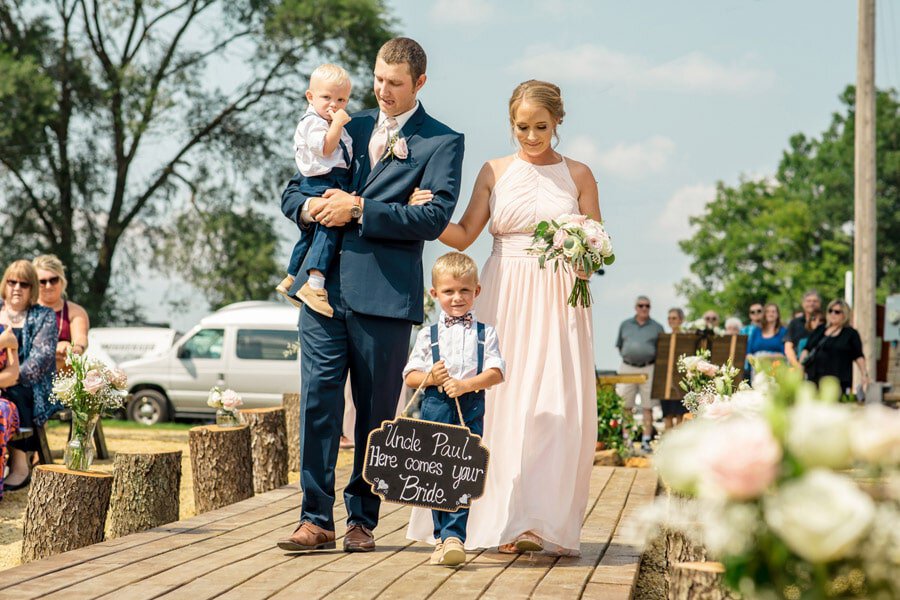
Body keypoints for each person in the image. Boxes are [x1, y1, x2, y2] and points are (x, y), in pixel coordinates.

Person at [277, 38, 464, 554]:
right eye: (378, 79)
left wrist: (359, 208)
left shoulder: (442, 142)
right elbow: (296, 187)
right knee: (318, 404)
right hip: (323, 290)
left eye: (395, 83)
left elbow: (432, 218)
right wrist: (312, 210)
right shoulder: (346, 122)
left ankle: (363, 519)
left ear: (420, 83)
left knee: (377, 412)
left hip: (385, 297)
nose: (382, 91)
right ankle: (314, 518)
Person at [408, 79, 601, 555]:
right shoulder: (494, 170)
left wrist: (583, 253)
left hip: (560, 299)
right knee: (497, 402)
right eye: (522, 126)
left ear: (558, 122)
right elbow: (464, 234)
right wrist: (424, 210)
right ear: (510, 122)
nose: (531, 136)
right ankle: (482, 519)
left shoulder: (579, 175)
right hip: (503, 293)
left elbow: (598, 246)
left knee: (550, 408)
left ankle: (536, 521)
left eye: (541, 126)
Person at [403, 253, 505, 566]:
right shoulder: (426, 335)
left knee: (460, 471)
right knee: (436, 473)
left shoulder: (485, 333)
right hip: (435, 405)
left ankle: (454, 537)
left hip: (470, 405)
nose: (456, 298)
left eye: (463, 291)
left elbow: (497, 372)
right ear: (435, 294)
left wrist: (466, 385)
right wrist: (431, 377)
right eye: (448, 291)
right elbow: (410, 376)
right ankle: (442, 537)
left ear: (477, 291)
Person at [276, 64, 355, 317]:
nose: (334, 104)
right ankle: (315, 284)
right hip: (323, 181)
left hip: (332, 179)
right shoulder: (313, 122)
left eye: (341, 99)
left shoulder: (326, 119)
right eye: (327, 98)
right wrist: (339, 124)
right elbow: (326, 148)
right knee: (329, 228)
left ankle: (291, 278)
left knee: (310, 237)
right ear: (311, 97)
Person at [0, 260, 58, 490]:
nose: (16, 288)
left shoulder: (44, 315)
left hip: (33, 383)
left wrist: (9, 378)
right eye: (12, 282)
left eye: (23, 284)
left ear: (32, 288)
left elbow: (41, 359)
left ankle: (20, 463)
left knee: (16, 391)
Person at [616, 296, 664, 454]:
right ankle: (627, 441)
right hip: (627, 367)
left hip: (648, 368)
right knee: (626, 406)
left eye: (647, 306)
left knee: (647, 407)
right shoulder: (625, 325)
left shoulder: (657, 327)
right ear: (635, 307)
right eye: (641, 305)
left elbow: (662, 349)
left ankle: (645, 441)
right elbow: (620, 346)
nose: (644, 308)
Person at [33, 255, 90, 374]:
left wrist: (73, 349)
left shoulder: (75, 311)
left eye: (53, 280)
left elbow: (80, 338)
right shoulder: (26, 310)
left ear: (62, 280)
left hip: (65, 383)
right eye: (42, 282)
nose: (48, 286)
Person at [801, 300, 870, 394]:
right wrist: (800, 368)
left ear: (844, 315)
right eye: (830, 311)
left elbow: (858, 355)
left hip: (838, 380)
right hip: (815, 378)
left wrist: (864, 374)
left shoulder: (850, 334)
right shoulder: (820, 330)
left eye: (837, 312)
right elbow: (807, 349)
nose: (833, 314)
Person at [0, 324, 21, 500]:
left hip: (2, 400)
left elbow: (12, 375)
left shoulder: (6, 331)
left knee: (1, 411)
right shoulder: (4, 338)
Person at [661, 307, 687, 430]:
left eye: (674, 318)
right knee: (668, 415)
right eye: (669, 318)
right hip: (666, 382)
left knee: (680, 415)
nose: (671, 321)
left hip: (682, 382)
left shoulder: (688, 338)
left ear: (681, 320)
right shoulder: (664, 338)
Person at [784, 290, 822, 368]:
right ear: (803, 303)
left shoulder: (825, 323)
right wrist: (797, 366)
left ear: (819, 304)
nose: (811, 303)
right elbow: (788, 347)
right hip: (797, 368)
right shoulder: (795, 323)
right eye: (808, 301)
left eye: (815, 301)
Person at [746, 302, 786, 376]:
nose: (770, 314)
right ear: (764, 314)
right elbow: (748, 352)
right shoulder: (756, 331)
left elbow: (785, 354)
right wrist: (754, 361)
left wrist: (767, 357)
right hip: (757, 370)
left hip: (776, 369)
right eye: (768, 312)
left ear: (777, 315)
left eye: (773, 312)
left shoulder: (783, 331)